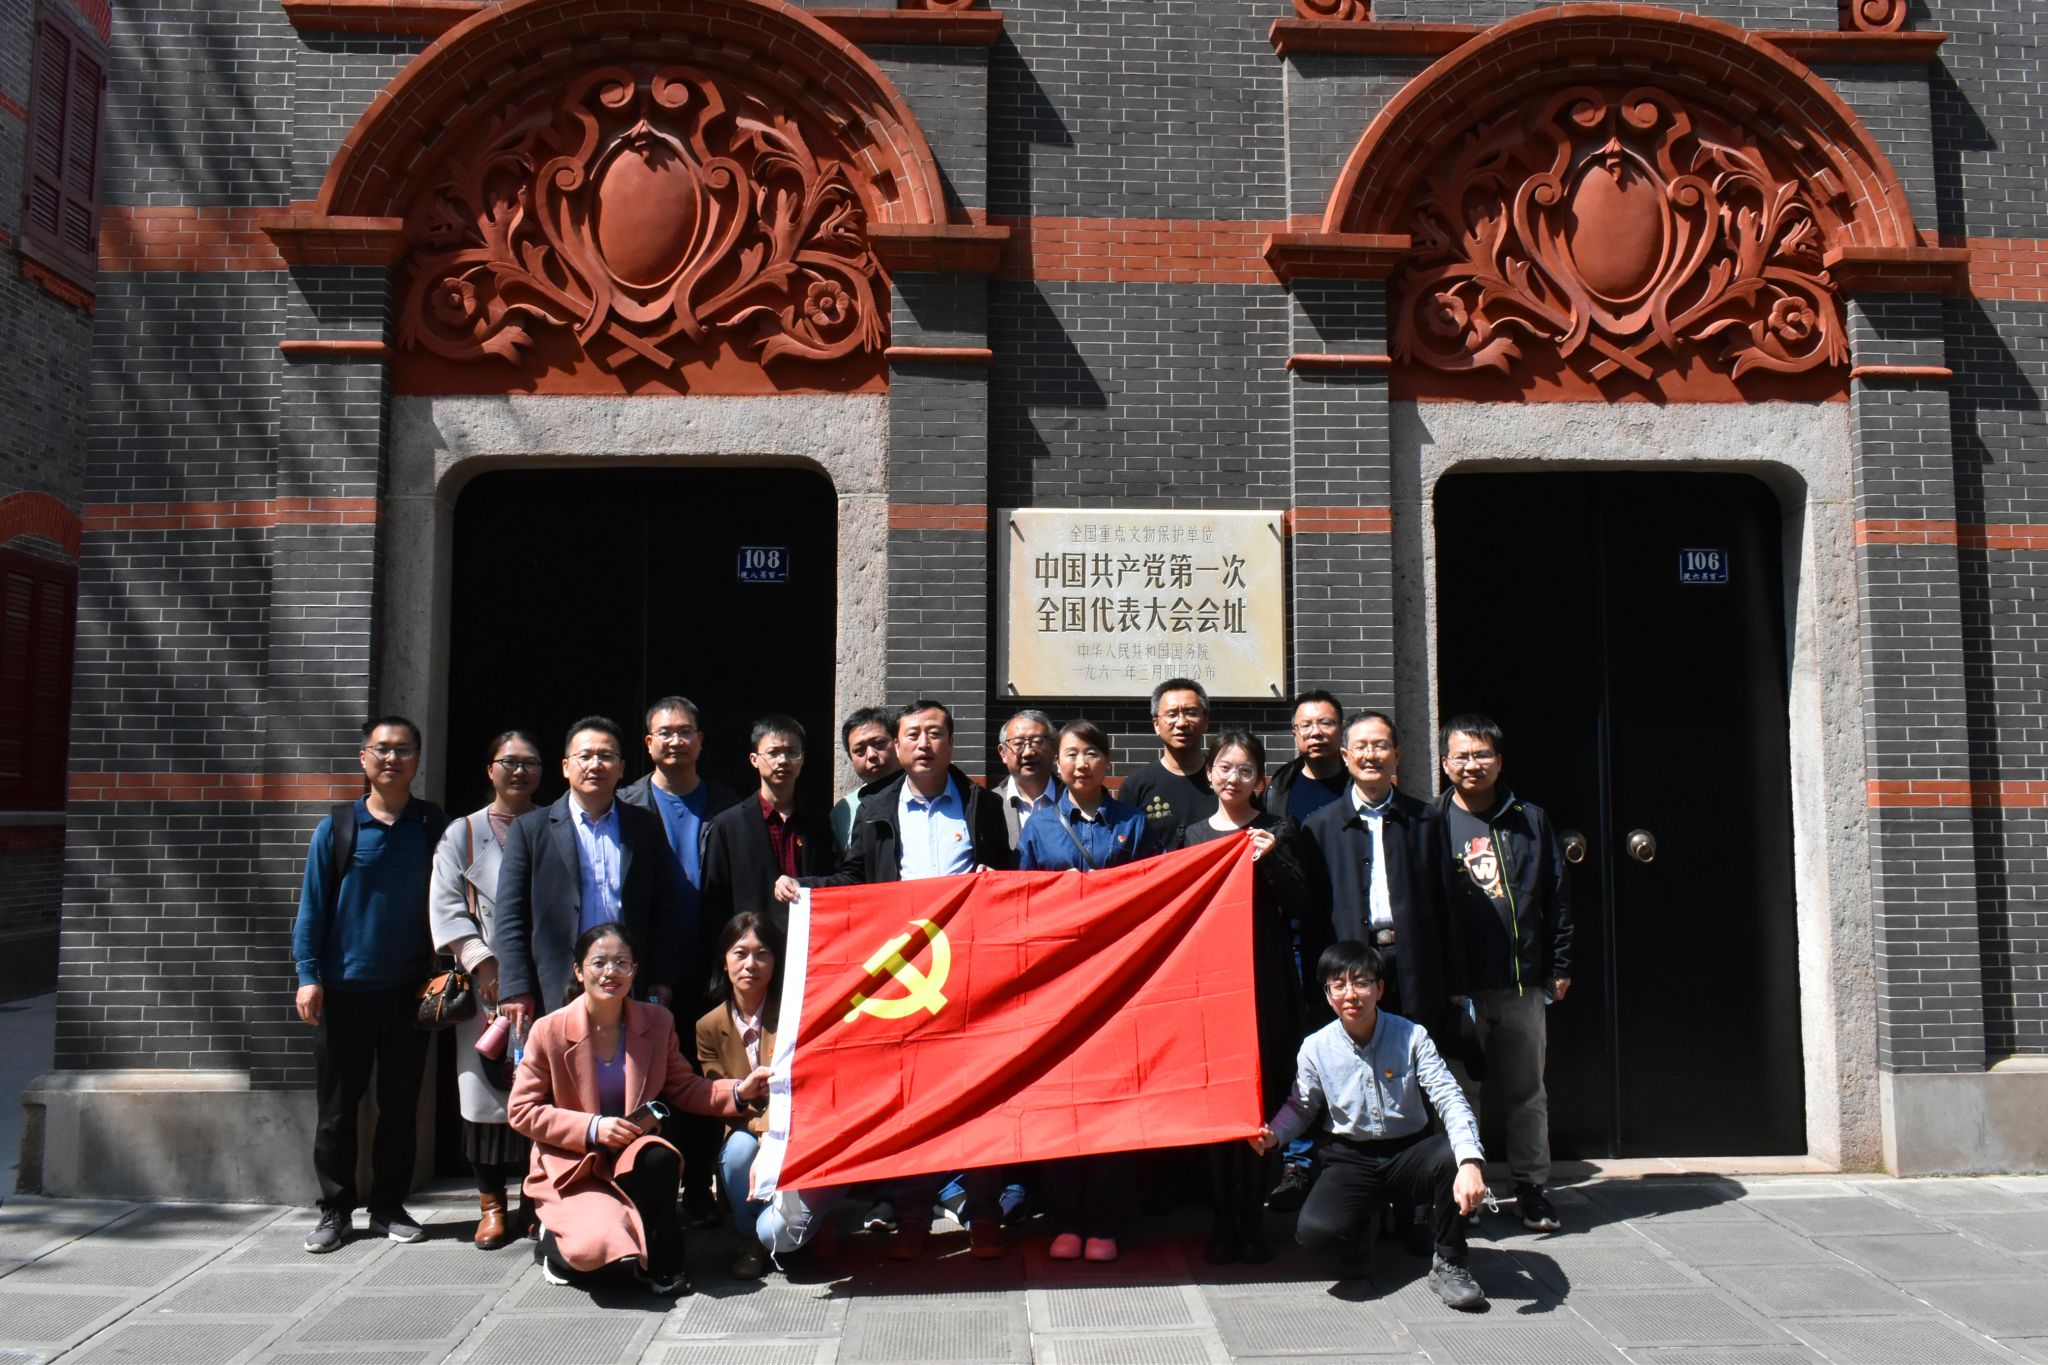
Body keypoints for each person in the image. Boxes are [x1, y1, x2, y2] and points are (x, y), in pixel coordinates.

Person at [768, 699, 1014, 1261]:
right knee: (908, 1103)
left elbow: (1006, 873)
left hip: (970, 974)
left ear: (952, 744)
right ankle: (911, 1218)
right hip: (904, 978)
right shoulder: (877, 807)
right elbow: (857, 878)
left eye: (935, 734)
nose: (924, 744)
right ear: (898, 747)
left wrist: (995, 878)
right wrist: (805, 888)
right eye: (913, 735)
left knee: (980, 1098)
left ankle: (985, 1214)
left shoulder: (982, 804)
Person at [509, 922, 770, 1295]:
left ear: (634, 971)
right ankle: (555, 1239)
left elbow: (683, 1086)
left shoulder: (657, 1022)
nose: (610, 972)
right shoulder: (548, 1030)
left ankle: (663, 1266)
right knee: (594, 1256)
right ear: (579, 971)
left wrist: (739, 1092)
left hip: (631, 1152)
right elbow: (522, 1110)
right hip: (575, 1163)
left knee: (659, 1157)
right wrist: (593, 1128)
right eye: (599, 962)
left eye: (621, 963)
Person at [1253, 941, 1488, 1311]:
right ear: (1328, 995)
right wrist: (1274, 1135)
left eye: (1361, 983)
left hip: (1410, 1152)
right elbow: (1301, 1107)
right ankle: (1363, 1229)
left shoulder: (1412, 1036)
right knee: (1316, 1234)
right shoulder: (1315, 1047)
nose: (1351, 994)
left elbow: (1449, 1096)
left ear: (1379, 989)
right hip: (1351, 1157)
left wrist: (1470, 1161)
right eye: (1339, 985)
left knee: (1450, 1157)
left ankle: (1450, 1262)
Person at [292, 717, 449, 1254]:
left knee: (399, 1108)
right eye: (382, 749)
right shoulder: (338, 827)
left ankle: (388, 1207)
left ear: (417, 759)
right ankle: (335, 1210)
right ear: (364, 758)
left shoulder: (432, 825)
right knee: (337, 1111)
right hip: (344, 990)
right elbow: (312, 907)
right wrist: (308, 975)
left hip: (410, 991)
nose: (392, 759)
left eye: (403, 750)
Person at [1016, 720, 1159, 1263]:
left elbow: (1155, 894)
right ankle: (1065, 1219)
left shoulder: (1133, 822)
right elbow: (1023, 906)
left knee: (1114, 1101)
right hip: (1058, 986)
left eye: (1092, 753)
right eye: (1071, 754)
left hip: (1120, 985)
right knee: (1060, 1102)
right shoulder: (1038, 827)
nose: (1082, 764)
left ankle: (1103, 1221)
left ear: (1107, 762)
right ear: (1057, 764)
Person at [1178, 728, 1315, 1265]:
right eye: (1224, 767)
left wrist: (1274, 859)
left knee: (1263, 1097)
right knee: (1216, 1101)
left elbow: (1305, 903)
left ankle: (1254, 1220)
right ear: (1209, 772)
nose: (1232, 778)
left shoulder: (1280, 829)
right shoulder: (1190, 836)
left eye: (1245, 770)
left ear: (1259, 779)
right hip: (1208, 987)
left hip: (1266, 983)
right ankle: (1221, 1218)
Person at [1434, 712, 1572, 1233]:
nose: (1472, 764)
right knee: (1458, 1094)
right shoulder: (1431, 821)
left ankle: (1531, 1188)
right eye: (1462, 756)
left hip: (1521, 982)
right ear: (1444, 763)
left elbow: (1558, 897)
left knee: (1526, 1093)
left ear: (1499, 760)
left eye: (1482, 754)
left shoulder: (1530, 820)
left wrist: (1560, 963)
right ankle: (1464, 1192)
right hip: (1458, 988)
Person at [494, 717, 689, 1034]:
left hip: (628, 981)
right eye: (585, 756)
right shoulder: (531, 830)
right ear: (565, 767)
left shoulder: (645, 826)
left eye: (606, 756)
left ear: (621, 768)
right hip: (555, 983)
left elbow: (663, 908)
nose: (595, 765)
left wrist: (662, 977)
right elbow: (510, 914)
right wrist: (515, 985)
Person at [427, 729, 543, 1251]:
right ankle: (491, 1204)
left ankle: (536, 1202)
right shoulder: (463, 833)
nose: (519, 771)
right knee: (485, 1094)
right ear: (490, 769)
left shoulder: (552, 822)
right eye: (508, 761)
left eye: (530, 762)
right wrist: (481, 963)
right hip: (486, 984)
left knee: (544, 1094)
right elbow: (446, 905)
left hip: (544, 981)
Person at [1298, 712, 1460, 1044]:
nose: (1370, 755)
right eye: (1361, 747)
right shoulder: (1319, 827)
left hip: (1414, 965)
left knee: (1413, 1057)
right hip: (1351, 969)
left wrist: (1455, 980)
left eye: (1380, 746)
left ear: (1396, 754)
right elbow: (1312, 915)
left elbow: (1446, 902)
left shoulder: (1426, 821)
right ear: (1346, 756)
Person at [619, 694, 741, 968]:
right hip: (644, 949)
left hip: (711, 948)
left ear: (700, 739)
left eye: (685, 732)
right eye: (665, 733)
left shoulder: (728, 806)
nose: (676, 741)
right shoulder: (624, 805)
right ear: (649, 743)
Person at [696, 912, 783, 1279]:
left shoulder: (792, 1013)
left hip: (792, 1120)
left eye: (762, 954)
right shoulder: (708, 1026)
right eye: (740, 953)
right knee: (737, 1153)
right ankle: (752, 1239)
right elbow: (719, 1096)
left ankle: (794, 1228)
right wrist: (757, 1125)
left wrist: (770, 1130)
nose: (751, 964)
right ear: (724, 961)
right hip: (742, 1124)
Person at [701, 715, 833, 934]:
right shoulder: (728, 825)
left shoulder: (819, 823)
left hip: (809, 940)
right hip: (751, 945)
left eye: (791, 752)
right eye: (773, 753)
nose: (782, 760)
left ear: (802, 759)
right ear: (754, 759)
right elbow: (714, 903)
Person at [1117, 677, 1216, 847]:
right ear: (1156, 724)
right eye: (1171, 715)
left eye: (1191, 713)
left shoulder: (1225, 781)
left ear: (1206, 721)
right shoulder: (1136, 786)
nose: (1181, 723)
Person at [1264, 690, 1348, 826]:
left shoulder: (1361, 784)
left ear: (1341, 730)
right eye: (1306, 725)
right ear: (1295, 735)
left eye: (1325, 723)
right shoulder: (1278, 788)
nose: (1316, 732)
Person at [831, 706, 899, 857]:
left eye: (879, 743)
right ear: (851, 759)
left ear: (897, 743)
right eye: (859, 750)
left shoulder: (924, 793)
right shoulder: (843, 811)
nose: (871, 755)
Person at [993, 708, 1060, 849]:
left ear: (1054, 748)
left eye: (1038, 742)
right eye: (1018, 743)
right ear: (1003, 753)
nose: (1028, 752)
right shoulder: (988, 804)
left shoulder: (1074, 798)